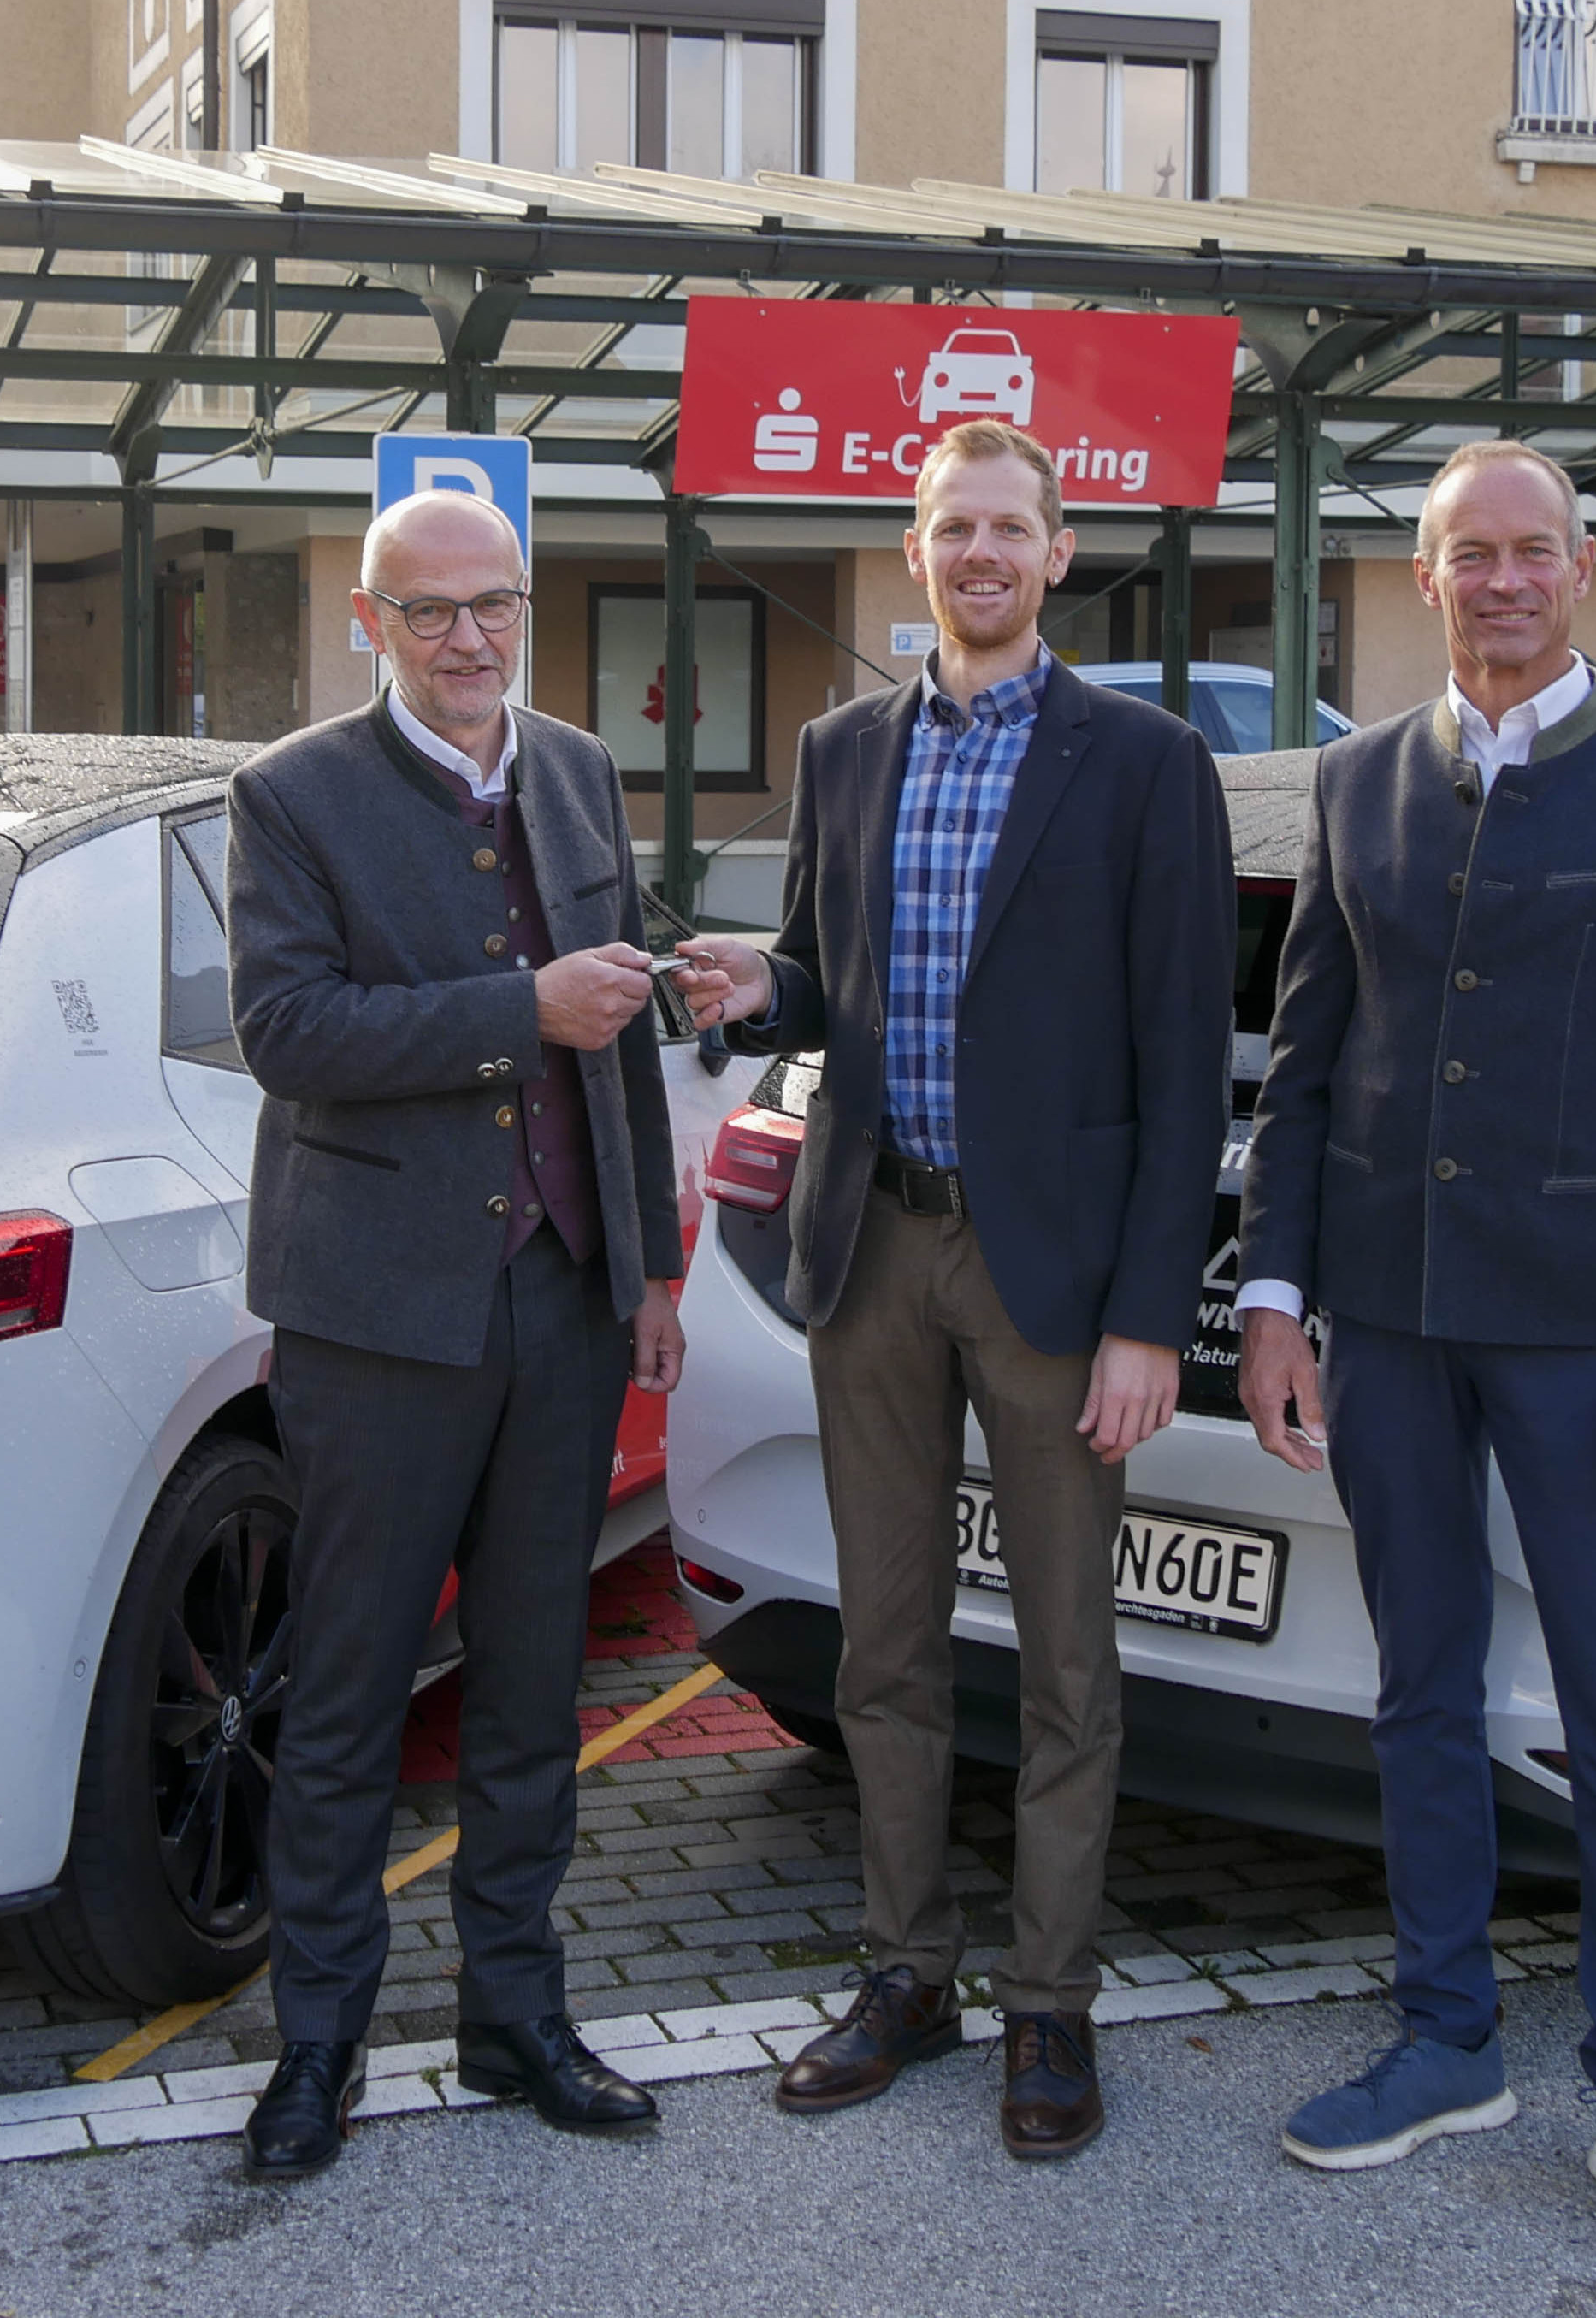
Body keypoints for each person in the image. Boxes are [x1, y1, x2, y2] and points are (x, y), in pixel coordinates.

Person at [1233, 440, 1596, 2269]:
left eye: (1535, 552)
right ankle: (1446, 2032)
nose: (1505, 580)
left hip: (1589, 1332)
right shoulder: (1360, 778)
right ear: (1426, 574)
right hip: (1387, 1316)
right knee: (1419, 1688)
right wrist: (1277, 1298)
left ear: (1583, 576)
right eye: (1473, 553)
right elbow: (1304, 1067)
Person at [683, 420, 1232, 2161]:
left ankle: (1049, 2004)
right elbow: (827, 984)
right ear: (913, 552)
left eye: (1010, 525)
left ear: (1059, 551)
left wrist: (1151, 1312)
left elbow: (1180, 1059)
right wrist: (749, 987)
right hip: (874, 1249)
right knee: (887, 1645)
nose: (979, 551)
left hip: (1054, 1267)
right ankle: (904, 1970)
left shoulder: (1144, 763)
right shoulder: (842, 748)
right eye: (950, 526)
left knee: (1069, 1655)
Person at [222, 488, 691, 2180]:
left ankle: (516, 2016)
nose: (468, 635)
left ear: (526, 603)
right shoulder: (288, 793)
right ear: (370, 623)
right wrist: (520, 1009)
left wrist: (646, 1272)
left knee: (530, 1683)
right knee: (347, 1689)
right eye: (428, 611)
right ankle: (320, 2040)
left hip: (563, 1294)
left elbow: (620, 1046)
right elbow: (285, 1030)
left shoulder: (570, 765)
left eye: (492, 601)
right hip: (377, 1316)